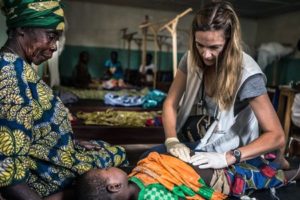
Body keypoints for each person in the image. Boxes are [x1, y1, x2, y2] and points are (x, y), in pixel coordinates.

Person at [0, 1, 127, 199]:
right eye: (51, 36)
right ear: (21, 30)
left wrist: (68, 141)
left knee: (106, 148)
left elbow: (26, 129)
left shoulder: (18, 66)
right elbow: (7, 172)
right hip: (47, 177)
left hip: (53, 158)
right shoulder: (10, 74)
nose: (54, 46)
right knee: (119, 156)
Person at [151, 1, 288, 170]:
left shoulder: (247, 74)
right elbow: (171, 103)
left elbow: (277, 136)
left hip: (230, 150)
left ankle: (277, 163)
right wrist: (171, 140)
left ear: (229, 42)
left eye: (214, 47)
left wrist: (228, 157)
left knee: (183, 175)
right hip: (199, 141)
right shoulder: (190, 59)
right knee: (149, 159)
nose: (206, 55)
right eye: (200, 45)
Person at [75, 152, 300, 200]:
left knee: (251, 169)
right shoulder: (152, 196)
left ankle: (276, 163)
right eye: (105, 171)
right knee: (258, 179)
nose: (109, 166)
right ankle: (291, 172)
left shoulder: (135, 177)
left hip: (218, 166)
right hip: (224, 181)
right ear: (114, 187)